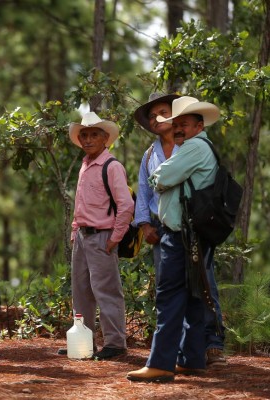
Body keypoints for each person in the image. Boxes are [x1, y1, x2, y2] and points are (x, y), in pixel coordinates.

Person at [127, 96, 221, 382]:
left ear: (199, 125)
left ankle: (161, 362)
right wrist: (144, 223)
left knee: (169, 296)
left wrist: (164, 174)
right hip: (186, 231)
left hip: (181, 233)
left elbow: (161, 178)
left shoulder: (193, 147)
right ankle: (191, 358)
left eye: (184, 123)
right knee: (193, 295)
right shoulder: (182, 148)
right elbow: (149, 186)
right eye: (175, 123)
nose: (178, 128)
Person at [68, 111, 133, 360]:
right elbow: (80, 203)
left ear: (105, 138)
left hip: (102, 237)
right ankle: (84, 342)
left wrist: (115, 237)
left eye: (94, 134)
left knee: (106, 290)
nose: (87, 139)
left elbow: (126, 205)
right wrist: (75, 232)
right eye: (83, 135)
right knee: (81, 291)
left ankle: (116, 343)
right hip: (82, 237)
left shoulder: (112, 166)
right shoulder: (85, 165)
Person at [133, 93, 180, 275]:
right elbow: (144, 191)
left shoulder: (190, 146)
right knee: (166, 283)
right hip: (161, 228)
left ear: (175, 115)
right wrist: (145, 226)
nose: (156, 118)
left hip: (191, 225)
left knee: (197, 284)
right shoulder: (150, 155)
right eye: (152, 116)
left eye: (163, 112)